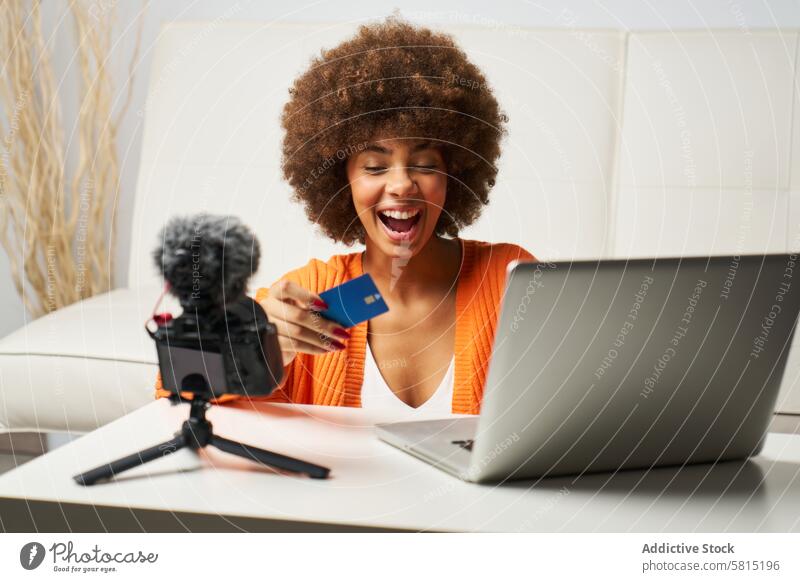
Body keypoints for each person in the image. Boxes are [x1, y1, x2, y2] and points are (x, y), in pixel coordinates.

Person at [155, 15, 536, 415]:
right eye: (375, 166)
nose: (403, 184)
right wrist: (250, 347)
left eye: (425, 164)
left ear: (453, 176)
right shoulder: (312, 297)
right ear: (343, 181)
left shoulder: (509, 279)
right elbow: (172, 394)